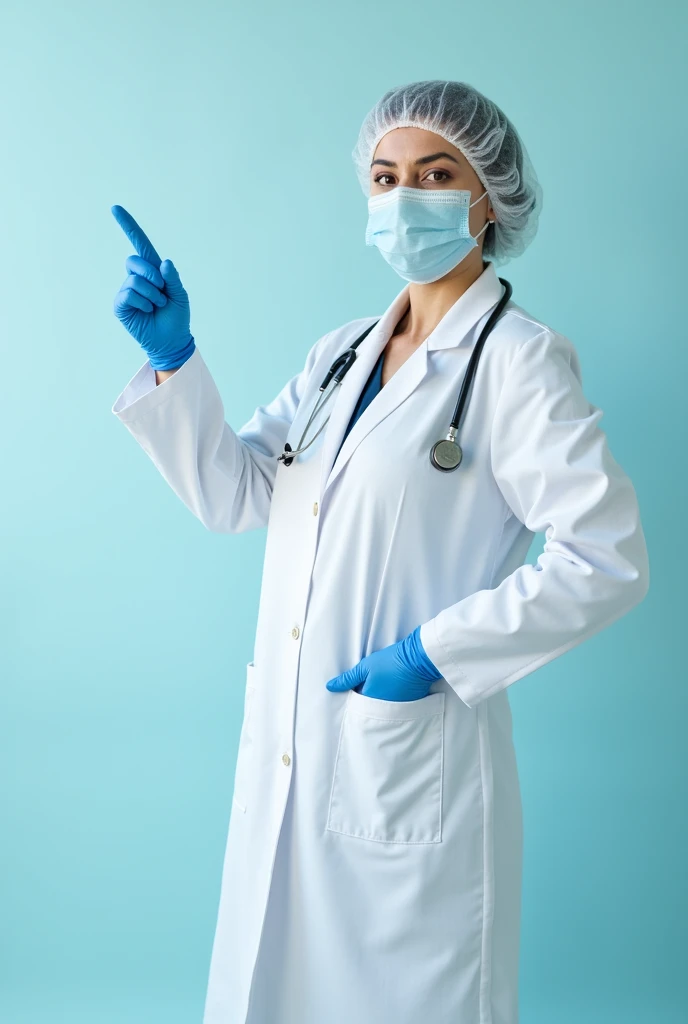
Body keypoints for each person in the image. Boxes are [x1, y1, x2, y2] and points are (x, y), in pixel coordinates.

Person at [110, 79, 649, 1024]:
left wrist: (430, 655)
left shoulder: (519, 360)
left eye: (435, 173)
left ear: (487, 198)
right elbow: (241, 496)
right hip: (296, 747)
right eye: (385, 175)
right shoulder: (339, 355)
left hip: (406, 758)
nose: (405, 197)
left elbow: (605, 557)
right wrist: (175, 362)